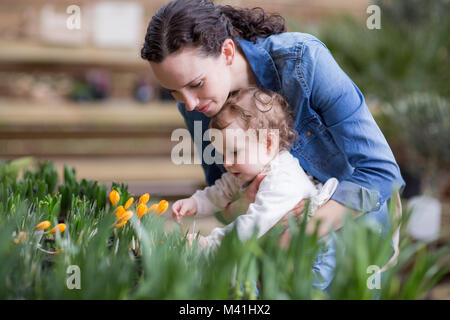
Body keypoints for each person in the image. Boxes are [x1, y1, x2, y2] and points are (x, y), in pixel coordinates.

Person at [141, 0, 405, 291]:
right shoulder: (198, 108)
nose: (189, 104)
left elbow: (382, 174)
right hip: (272, 245)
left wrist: (300, 228)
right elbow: (225, 195)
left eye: (196, 84)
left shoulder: (304, 62)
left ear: (227, 52)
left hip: (355, 222)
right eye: (174, 93)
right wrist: (250, 207)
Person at [172, 87, 339, 253]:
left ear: (268, 144)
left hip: (314, 254)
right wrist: (195, 203)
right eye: (223, 154)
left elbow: (253, 226)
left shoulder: (282, 178)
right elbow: (221, 190)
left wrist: (212, 243)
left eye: (234, 152)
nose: (226, 162)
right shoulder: (249, 168)